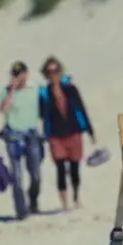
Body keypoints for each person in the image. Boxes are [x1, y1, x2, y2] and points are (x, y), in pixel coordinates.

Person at [38, 56, 95, 210]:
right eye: (49, 72)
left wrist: (90, 130)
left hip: (73, 130)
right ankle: (64, 202)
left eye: (56, 71)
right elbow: (41, 115)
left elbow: (81, 109)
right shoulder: (44, 93)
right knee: (61, 168)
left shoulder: (70, 89)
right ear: (45, 74)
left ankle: (76, 196)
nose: (53, 74)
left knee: (75, 167)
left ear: (60, 71)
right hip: (55, 134)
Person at [0, 61, 44, 218]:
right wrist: (11, 90)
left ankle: (33, 200)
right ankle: (21, 210)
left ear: (26, 74)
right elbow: (3, 110)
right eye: (15, 74)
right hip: (13, 135)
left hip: (32, 134)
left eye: (20, 74)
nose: (18, 77)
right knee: (17, 175)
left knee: (36, 174)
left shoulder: (34, 88)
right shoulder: (5, 92)